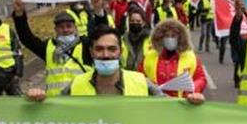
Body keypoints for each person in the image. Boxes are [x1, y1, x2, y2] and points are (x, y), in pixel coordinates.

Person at [24, 26, 177, 99]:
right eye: (99, 49)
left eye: (111, 49)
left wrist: (193, 104)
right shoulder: (76, 84)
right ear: (91, 52)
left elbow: (169, 108)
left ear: (120, 52)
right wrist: (37, 99)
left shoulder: (142, 83)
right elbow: (54, 112)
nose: (105, 55)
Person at [11, 0, 88, 97]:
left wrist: (98, 10)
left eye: (69, 26)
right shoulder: (48, 47)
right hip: (55, 104)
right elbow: (27, 39)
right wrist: (19, 15)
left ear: (75, 28)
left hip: (81, 101)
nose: (65, 30)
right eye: (61, 27)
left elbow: (102, 36)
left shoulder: (86, 45)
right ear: (56, 29)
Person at [142, 19, 207, 100]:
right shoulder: (149, 56)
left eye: (173, 36)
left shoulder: (191, 57)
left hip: (182, 105)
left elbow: (200, 78)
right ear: (161, 37)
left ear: (179, 38)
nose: (170, 39)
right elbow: (139, 77)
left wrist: (193, 90)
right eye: (167, 36)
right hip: (155, 104)